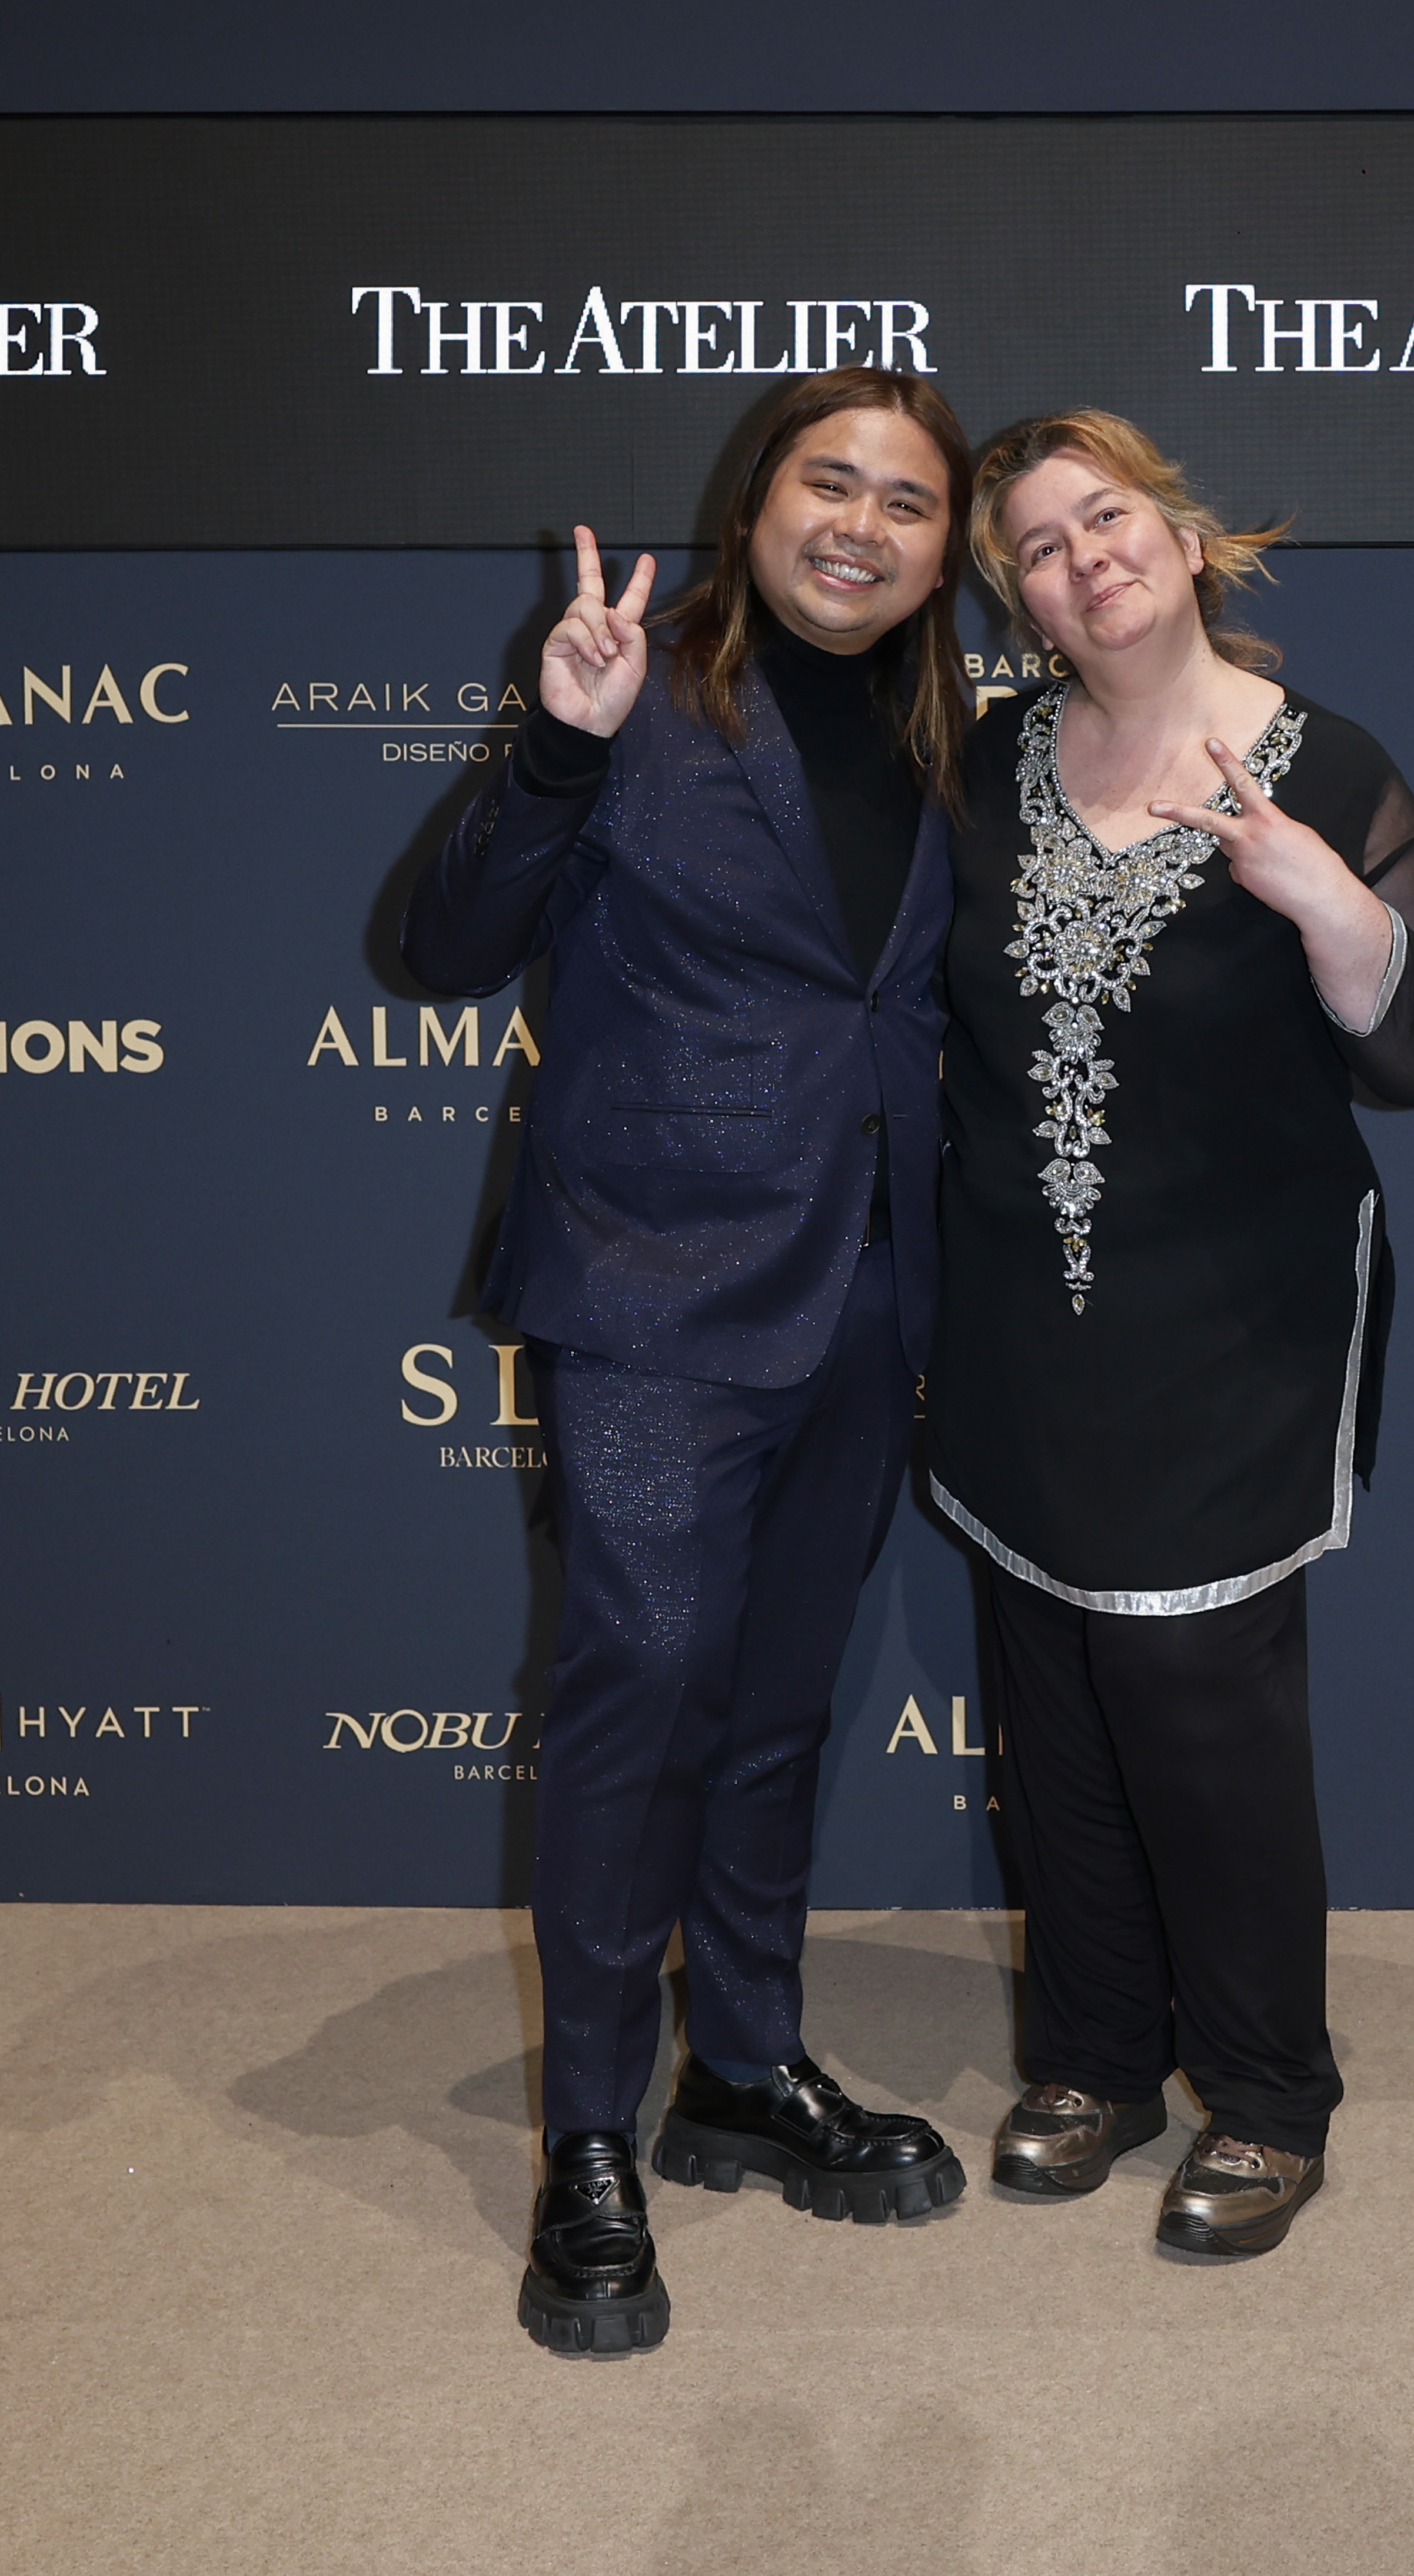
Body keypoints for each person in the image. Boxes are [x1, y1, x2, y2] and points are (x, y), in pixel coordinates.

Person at [403, 368, 974, 2355]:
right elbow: (442, 945)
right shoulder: (631, 693)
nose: (862, 524)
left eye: (908, 500)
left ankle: (740, 2061)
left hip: (870, 1290)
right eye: (832, 480)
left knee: (779, 1701)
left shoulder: (955, 737)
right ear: (757, 502)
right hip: (651, 1288)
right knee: (640, 1688)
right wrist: (557, 748)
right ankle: (588, 2130)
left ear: (945, 553)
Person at [927, 410, 1414, 2259]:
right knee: (1053, 1695)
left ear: (1184, 539)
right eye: (1036, 547)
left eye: (1108, 518)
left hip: (1238, 1322)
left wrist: (1330, 903)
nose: (1082, 560)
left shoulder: (1325, 763)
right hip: (1021, 1317)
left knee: (1201, 1712)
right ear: (1017, 602)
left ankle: (1266, 2096)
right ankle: (1095, 2058)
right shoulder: (986, 761)